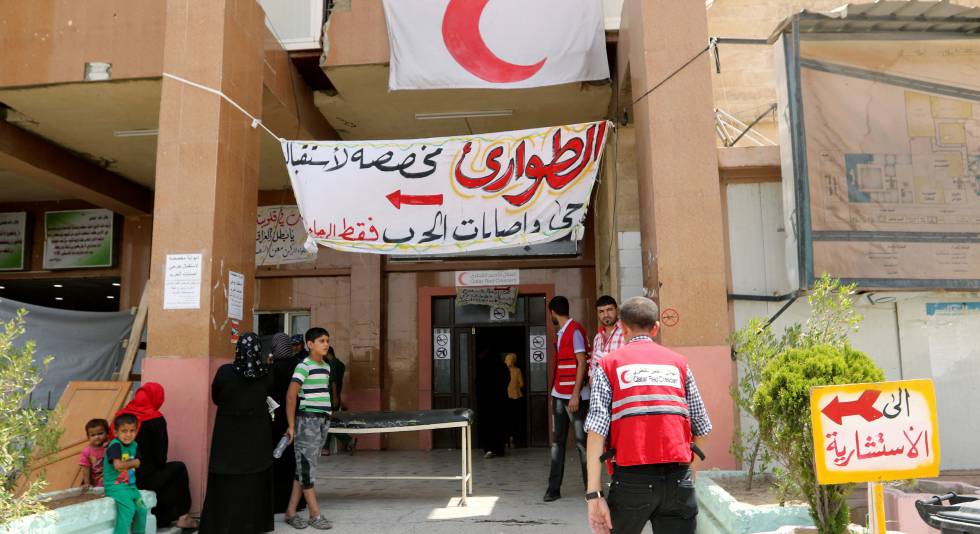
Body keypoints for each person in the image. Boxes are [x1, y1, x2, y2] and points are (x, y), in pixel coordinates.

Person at [584, 297, 713, 534]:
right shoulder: (679, 364)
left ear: (622, 329)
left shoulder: (608, 365)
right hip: (678, 480)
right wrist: (689, 475)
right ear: (656, 328)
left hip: (631, 483)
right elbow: (703, 427)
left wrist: (594, 495)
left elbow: (596, 433)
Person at [199, 333, 275, 534]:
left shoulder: (225, 372)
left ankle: (223, 522)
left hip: (228, 433)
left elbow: (216, 397)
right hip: (257, 433)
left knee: (227, 475)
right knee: (255, 474)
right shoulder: (267, 373)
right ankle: (254, 523)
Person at [116, 382, 197, 530]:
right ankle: (182, 516)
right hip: (142, 478)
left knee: (159, 474)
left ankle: (159, 516)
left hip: (119, 477)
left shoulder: (121, 416)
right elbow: (161, 459)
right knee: (177, 468)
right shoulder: (155, 419)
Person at [283, 327, 334, 530]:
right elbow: (290, 396)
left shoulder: (327, 366)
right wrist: (291, 426)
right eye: (321, 340)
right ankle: (315, 514)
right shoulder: (303, 366)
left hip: (322, 420)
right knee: (306, 468)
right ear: (310, 344)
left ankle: (290, 512)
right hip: (308, 420)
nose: (326, 344)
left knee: (303, 468)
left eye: (327, 340)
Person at [544, 295, 591, 502]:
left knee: (582, 444)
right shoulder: (563, 331)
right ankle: (553, 489)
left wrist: (575, 394)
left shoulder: (575, 331)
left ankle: (592, 489)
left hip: (574, 397)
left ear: (552, 313)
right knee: (558, 443)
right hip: (559, 394)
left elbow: (582, 363)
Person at [270, 333, 306, 514]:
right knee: (294, 461)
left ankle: (276, 502)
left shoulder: (270, 368)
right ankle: (297, 502)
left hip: (274, 422)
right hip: (296, 419)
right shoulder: (298, 366)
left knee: (277, 459)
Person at [105, 413, 147, 534]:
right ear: (116, 432)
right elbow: (118, 466)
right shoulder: (115, 445)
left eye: (132, 431)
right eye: (124, 431)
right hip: (115, 486)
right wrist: (134, 462)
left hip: (130, 486)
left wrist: (133, 463)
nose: (128, 434)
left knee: (142, 510)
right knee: (128, 509)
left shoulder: (134, 445)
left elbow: (138, 463)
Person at [475, 349, 509, 458]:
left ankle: (488, 448)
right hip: (499, 401)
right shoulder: (502, 367)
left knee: (487, 425)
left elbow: (478, 383)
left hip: (486, 402)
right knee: (499, 424)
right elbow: (507, 379)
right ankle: (499, 449)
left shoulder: (483, 367)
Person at [326, 346, 355, 454]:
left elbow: (333, 381)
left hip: (330, 397)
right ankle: (326, 447)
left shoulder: (331, 364)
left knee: (327, 422)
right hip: (335, 396)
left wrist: (334, 397)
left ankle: (347, 440)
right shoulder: (340, 364)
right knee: (330, 420)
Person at [591, 295, 625, 373]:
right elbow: (593, 364)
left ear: (617, 310)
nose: (606, 315)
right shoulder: (597, 337)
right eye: (601, 311)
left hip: (619, 382)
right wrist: (591, 377)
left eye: (609, 310)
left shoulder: (626, 332)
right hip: (600, 383)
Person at [79, 418, 109, 490]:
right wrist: (87, 483)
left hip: (112, 479)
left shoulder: (111, 446)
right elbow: (85, 468)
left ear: (107, 433)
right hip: (97, 483)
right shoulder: (87, 451)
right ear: (88, 437)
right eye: (93, 435)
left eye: (100, 433)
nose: (97, 437)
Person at [504, 353, 525, 448]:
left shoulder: (504, 371)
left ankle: (507, 439)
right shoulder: (517, 370)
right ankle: (514, 439)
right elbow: (521, 384)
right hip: (516, 397)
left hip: (506, 398)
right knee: (515, 419)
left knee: (507, 419)